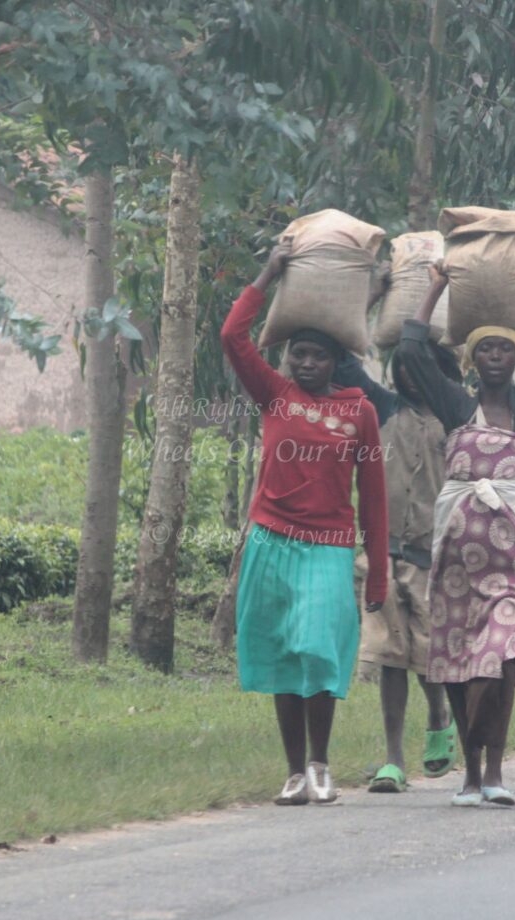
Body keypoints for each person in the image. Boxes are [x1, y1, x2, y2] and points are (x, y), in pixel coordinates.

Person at [397, 254, 515, 806]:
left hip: (514, 567)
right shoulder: (457, 406)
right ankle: (473, 776)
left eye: (504, 349)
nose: (495, 356)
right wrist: (435, 288)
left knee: (500, 655)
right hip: (457, 561)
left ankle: (494, 768)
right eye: (485, 350)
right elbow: (409, 349)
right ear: (473, 361)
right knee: (456, 659)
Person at [220, 239, 389, 806]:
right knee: (282, 656)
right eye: (298, 354)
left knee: (318, 649)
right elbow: (232, 337)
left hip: (328, 547)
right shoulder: (274, 395)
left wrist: (379, 572)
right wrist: (268, 271)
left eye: (318, 355)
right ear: (287, 359)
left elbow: (374, 497)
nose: (307, 363)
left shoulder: (358, 412)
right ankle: (294, 772)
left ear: (335, 361)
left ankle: (321, 763)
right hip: (271, 540)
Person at [334, 276, 458, 792]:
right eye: (401, 370)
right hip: (383, 555)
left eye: (419, 369)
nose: (409, 378)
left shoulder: (456, 416)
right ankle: (392, 759)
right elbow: (343, 356)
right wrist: (372, 295)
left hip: (434, 558)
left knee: (428, 659)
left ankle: (439, 720)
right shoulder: (382, 409)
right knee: (390, 657)